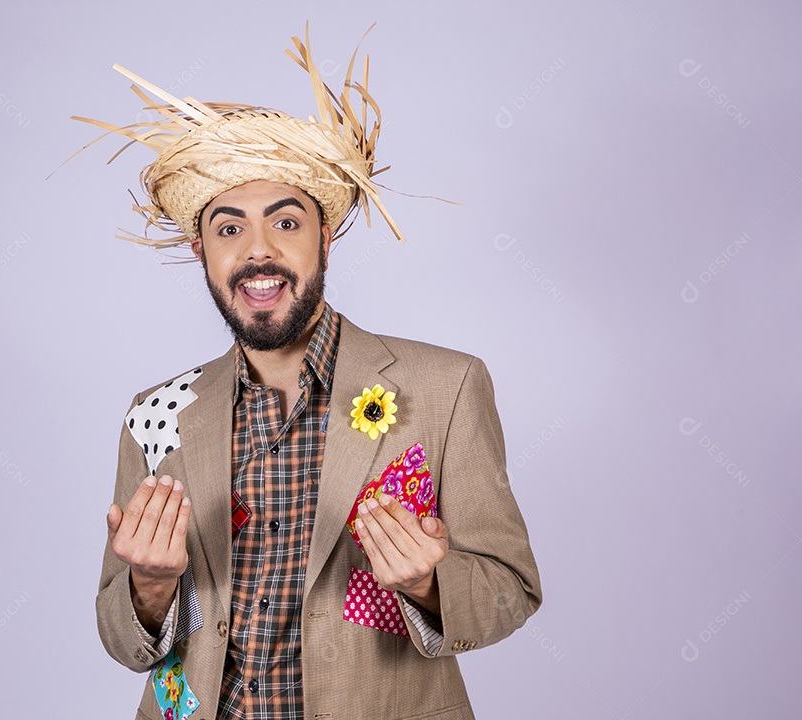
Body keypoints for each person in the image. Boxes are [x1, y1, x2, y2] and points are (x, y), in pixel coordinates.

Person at [76, 27, 542, 720]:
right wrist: (148, 585)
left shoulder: (447, 387)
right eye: (229, 228)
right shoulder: (158, 415)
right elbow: (122, 634)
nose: (258, 253)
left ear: (325, 236)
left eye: (285, 222)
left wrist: (426, 583)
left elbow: (511, 590)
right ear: (201, 248)